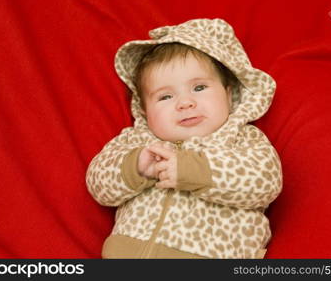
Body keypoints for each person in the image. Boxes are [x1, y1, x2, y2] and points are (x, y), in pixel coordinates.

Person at [86, 18, 282, 259]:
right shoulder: (137, 142)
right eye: (165, 96)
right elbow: (98, 183)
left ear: (229, 95)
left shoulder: (242, 138)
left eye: (199, 88)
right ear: (145, 110)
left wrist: (194, 171)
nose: (185, 103)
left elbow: (265, 182)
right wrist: (135, 168)